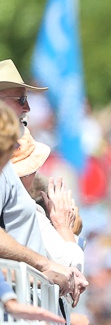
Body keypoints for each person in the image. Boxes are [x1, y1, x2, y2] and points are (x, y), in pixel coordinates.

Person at [0, 62, 86, 303]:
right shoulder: (6, 169)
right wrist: (46, 258)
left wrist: (65, 224)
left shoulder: (10, 169)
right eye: (20, 99)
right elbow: (68, 264)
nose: (27, 107)